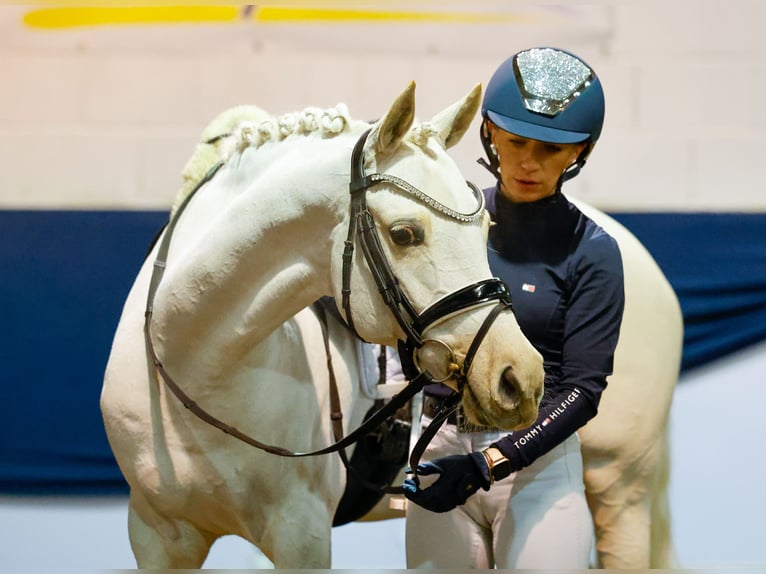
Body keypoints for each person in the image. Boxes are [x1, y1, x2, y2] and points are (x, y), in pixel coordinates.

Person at [401, 47, 626, 569]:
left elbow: (584, 390)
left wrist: (488, 464)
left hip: (537, 464)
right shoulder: (450, 229)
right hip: (439, 446)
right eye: (516, 141)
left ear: (579, 152)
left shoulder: (593, 251)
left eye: (550, 149)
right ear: (489, 133)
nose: (528, 161)